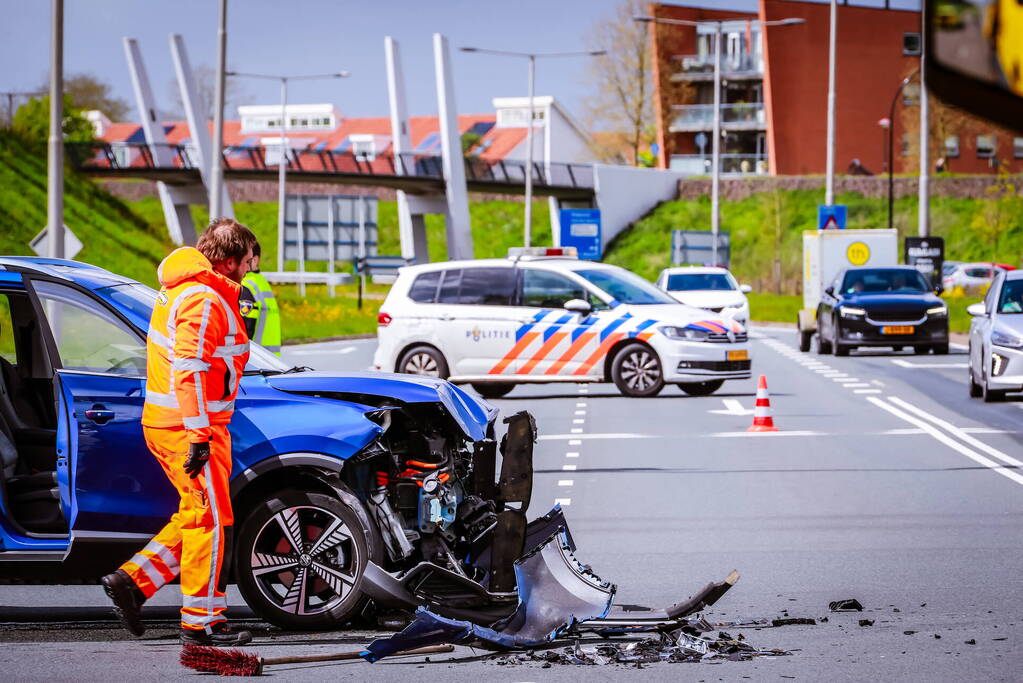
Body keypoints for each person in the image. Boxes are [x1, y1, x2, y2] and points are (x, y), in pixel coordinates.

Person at [101, 218, 256, 647]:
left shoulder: (188, 290)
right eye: (247, 264)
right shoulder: (202, 299)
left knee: (200, 514)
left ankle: (133, 583)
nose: (249, 273)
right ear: (227, 261)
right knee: (208, 519)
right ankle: (201, 623)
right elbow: (189, 370)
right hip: (188, 429)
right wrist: (199, 435)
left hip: (183, 425)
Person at [239, 242, 281, 355]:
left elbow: (246, 327)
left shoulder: (246, 285)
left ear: (255, 260)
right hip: (271, 359)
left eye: (245, 259)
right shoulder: (261, 282)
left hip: (254, 360)